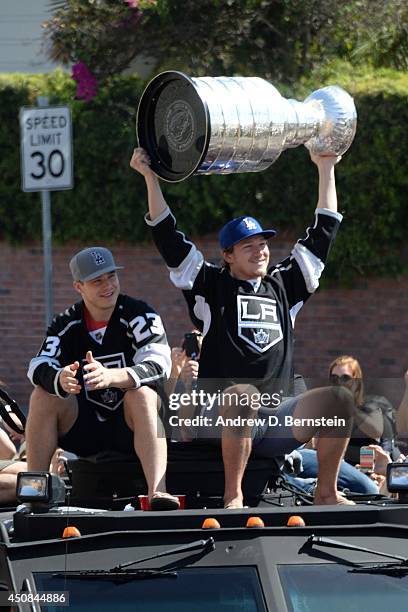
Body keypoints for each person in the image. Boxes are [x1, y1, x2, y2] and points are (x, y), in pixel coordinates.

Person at [130, 147, 355, 509]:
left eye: (263, 244)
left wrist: (326, 166)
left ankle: (325, 492)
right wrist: (150, 179)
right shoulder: (210, 285)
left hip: (274, 417)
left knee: (340, 399)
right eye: (247, 246)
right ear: (228, 256)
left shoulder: (285, 285)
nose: (260, 251)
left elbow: (324, 231)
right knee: (242, 394)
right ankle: (233, 496)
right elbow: (169, 240)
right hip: (216, 414)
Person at [25, 246, 179, 510]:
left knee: (141, 394)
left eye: (111, 276)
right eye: (97, 280)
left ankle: (157, 492)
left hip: (130, 428)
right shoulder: (65, 323)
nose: (108, 285)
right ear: (78, 287)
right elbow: (36, 366)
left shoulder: (140, 314)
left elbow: (159, 365)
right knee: (43, 394)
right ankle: (34, 492)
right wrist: (60, 378)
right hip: (86, 429)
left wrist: (113, 376)